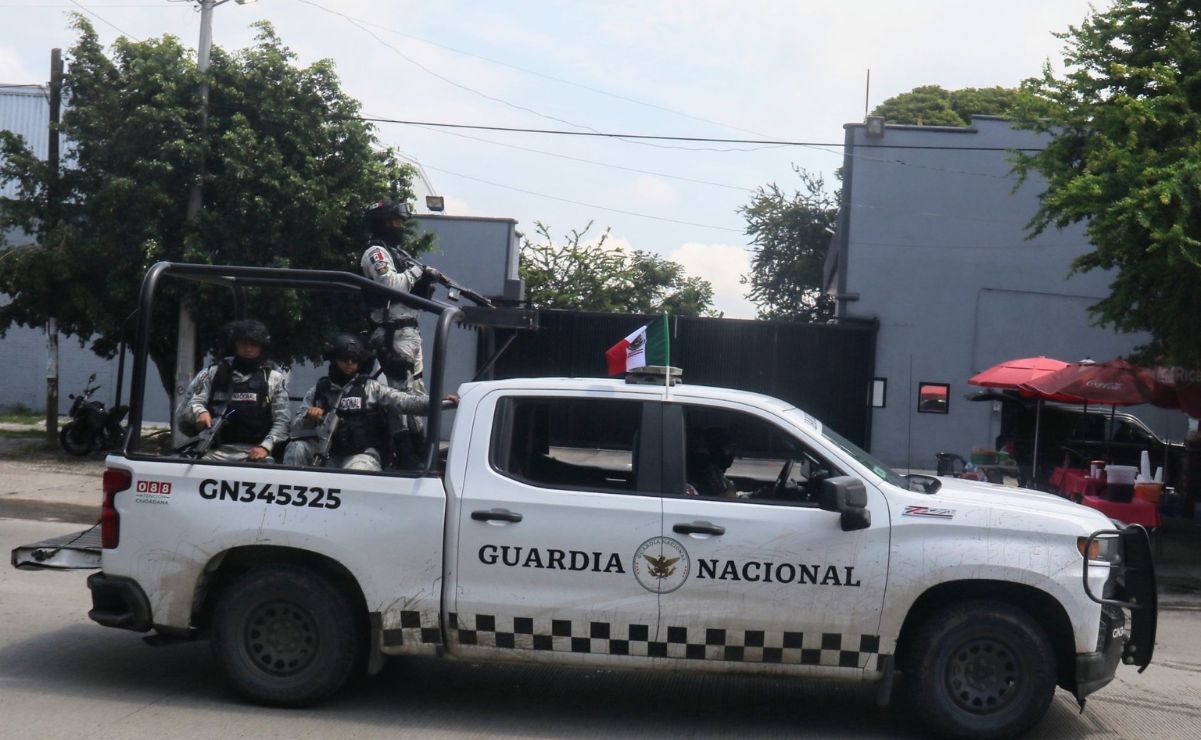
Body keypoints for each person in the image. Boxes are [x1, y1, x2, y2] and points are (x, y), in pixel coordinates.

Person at [284, 331, 457, 472]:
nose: (349, 364)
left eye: (354, 360)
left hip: (361, 455)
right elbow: (294, 428)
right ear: (334, 359)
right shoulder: (318, 390)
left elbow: (406, 402)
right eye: (344, 359)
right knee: (296, 448)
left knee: (356, 470)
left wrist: (437, 400)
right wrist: (309, 416)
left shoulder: (371, 388)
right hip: (326, 453)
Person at [359, 200, 441, 466]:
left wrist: (426, 281)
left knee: (416, 391)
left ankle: (421, 451)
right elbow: (391, 284)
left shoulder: (398, 252)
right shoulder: (376, 252)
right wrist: (419, 271)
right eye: (396, 221)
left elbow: (412, 294)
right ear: (381, 222)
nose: (401, 226)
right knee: (400, 394)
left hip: (410, 329)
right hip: (391, 332)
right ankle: (406, 455)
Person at [176, 319, 291, 462]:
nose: (248, 349)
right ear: (235, 345)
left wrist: (265, 447)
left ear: (262, 347)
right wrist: (199, 413)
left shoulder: (274, 379)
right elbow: (184, 411)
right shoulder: (211, 374)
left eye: (253, 345)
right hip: (211, 450)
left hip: (255, 452)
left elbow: (282, 421)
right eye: (243, 344)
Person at [685, 426, 740, 498]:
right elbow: (729, 498)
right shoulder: (707, 471)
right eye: (728, 449)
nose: (732, 454)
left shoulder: (714, 471)